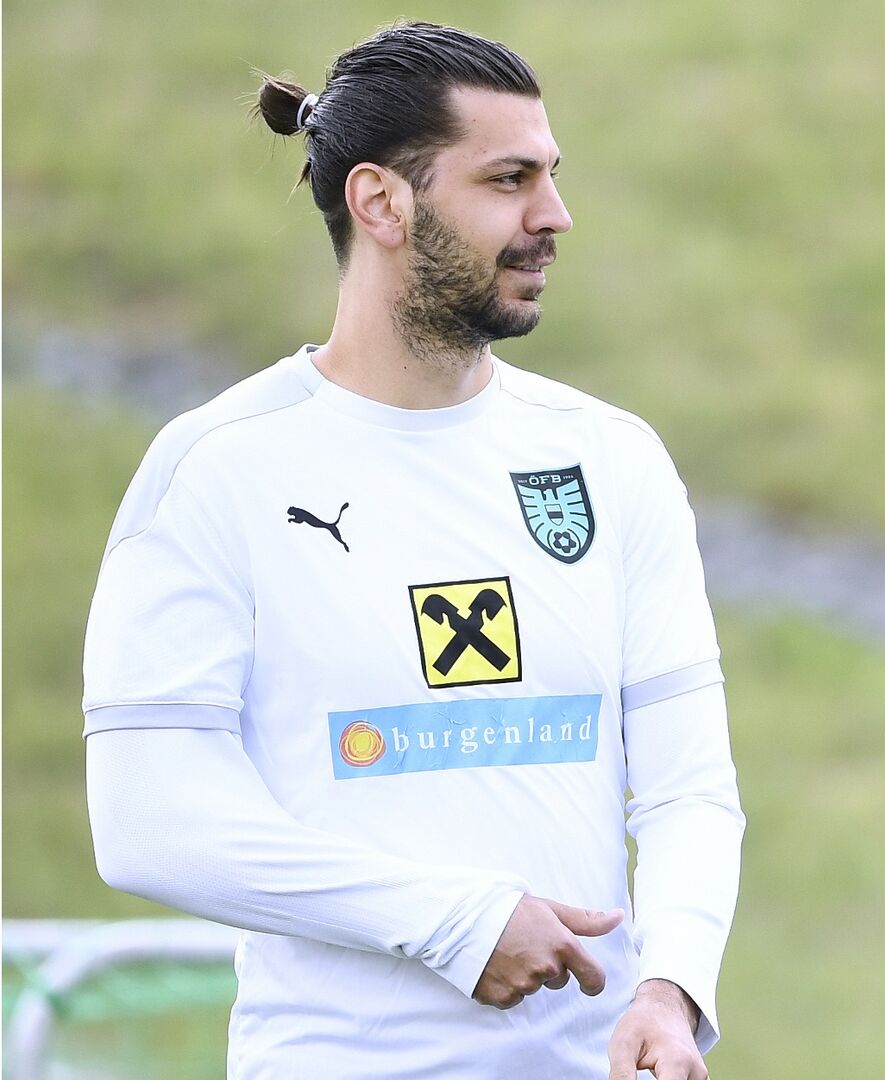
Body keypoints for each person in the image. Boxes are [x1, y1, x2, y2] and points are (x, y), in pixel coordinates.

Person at [82, 22, 741, 1080]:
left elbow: (687, 788)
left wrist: (670, 988)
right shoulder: (217, 468)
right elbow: (148, 820)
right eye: (509, 180)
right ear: (381, 203)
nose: (553, 216)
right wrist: (451, 922)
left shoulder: (608, 457)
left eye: (552, 175)